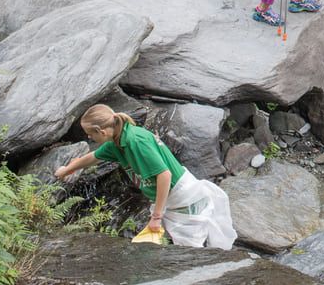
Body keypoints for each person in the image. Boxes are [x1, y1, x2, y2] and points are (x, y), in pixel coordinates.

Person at [54, 105, 236, 249]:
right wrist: (66, 170)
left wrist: (157, 216)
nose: (88, 137)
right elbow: (92, 157)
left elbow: (164, 175)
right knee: (180, 247)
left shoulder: (136, 141)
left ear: (101, 131)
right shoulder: (116, 142)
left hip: (183, 197)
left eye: (90, 134)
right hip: (173, 199)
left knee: (190, 250)